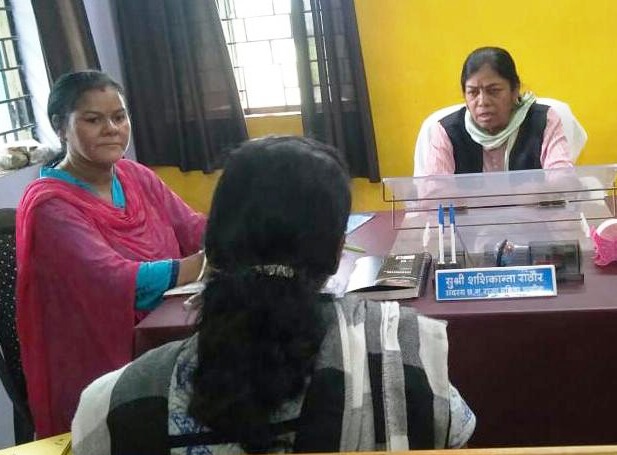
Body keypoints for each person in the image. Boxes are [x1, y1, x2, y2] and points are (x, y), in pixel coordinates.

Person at [71, 136, 476, 454]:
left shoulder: (112, 404)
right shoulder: (407, 361)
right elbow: (456, 433)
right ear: (337, 252)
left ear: (213, 247)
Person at [15, 70, 207, 437]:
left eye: (119, 117)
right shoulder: (49, 207)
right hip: (100, 368)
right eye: (93, 120)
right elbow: (117, 281)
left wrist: (243, 229)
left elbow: (192, 227)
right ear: (59, 126)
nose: (111, 129)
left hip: (165, 337)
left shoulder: (135, 176)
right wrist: (202, 264)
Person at [426, 46, 574, 174]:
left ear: (515, 90)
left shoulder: (543, 121)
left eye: (494, 91)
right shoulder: (446, 132)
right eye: (473, 92)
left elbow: (562, 180)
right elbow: (434, 192)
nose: (483, 102)